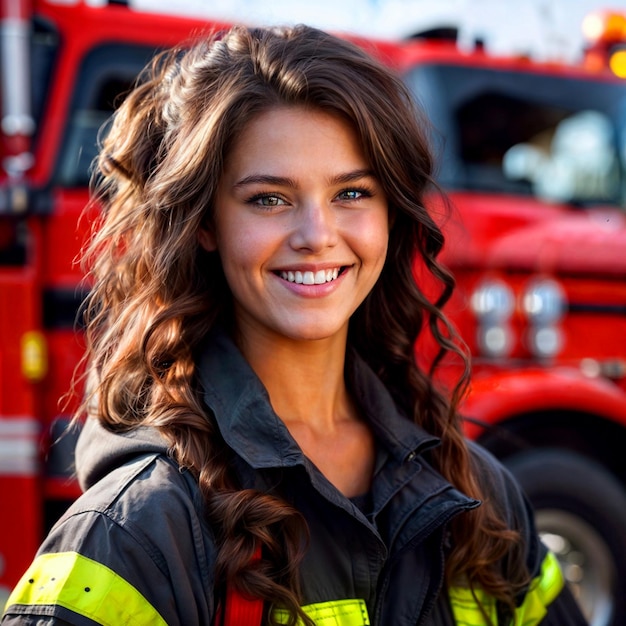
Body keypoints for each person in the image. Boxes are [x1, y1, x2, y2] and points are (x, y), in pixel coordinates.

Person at [2, 24, 588, 626]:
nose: (316, 236)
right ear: (205, 224)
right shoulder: (141, 530)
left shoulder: (476, 494)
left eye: (352, 193)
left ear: (392, 215)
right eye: (269, 199)